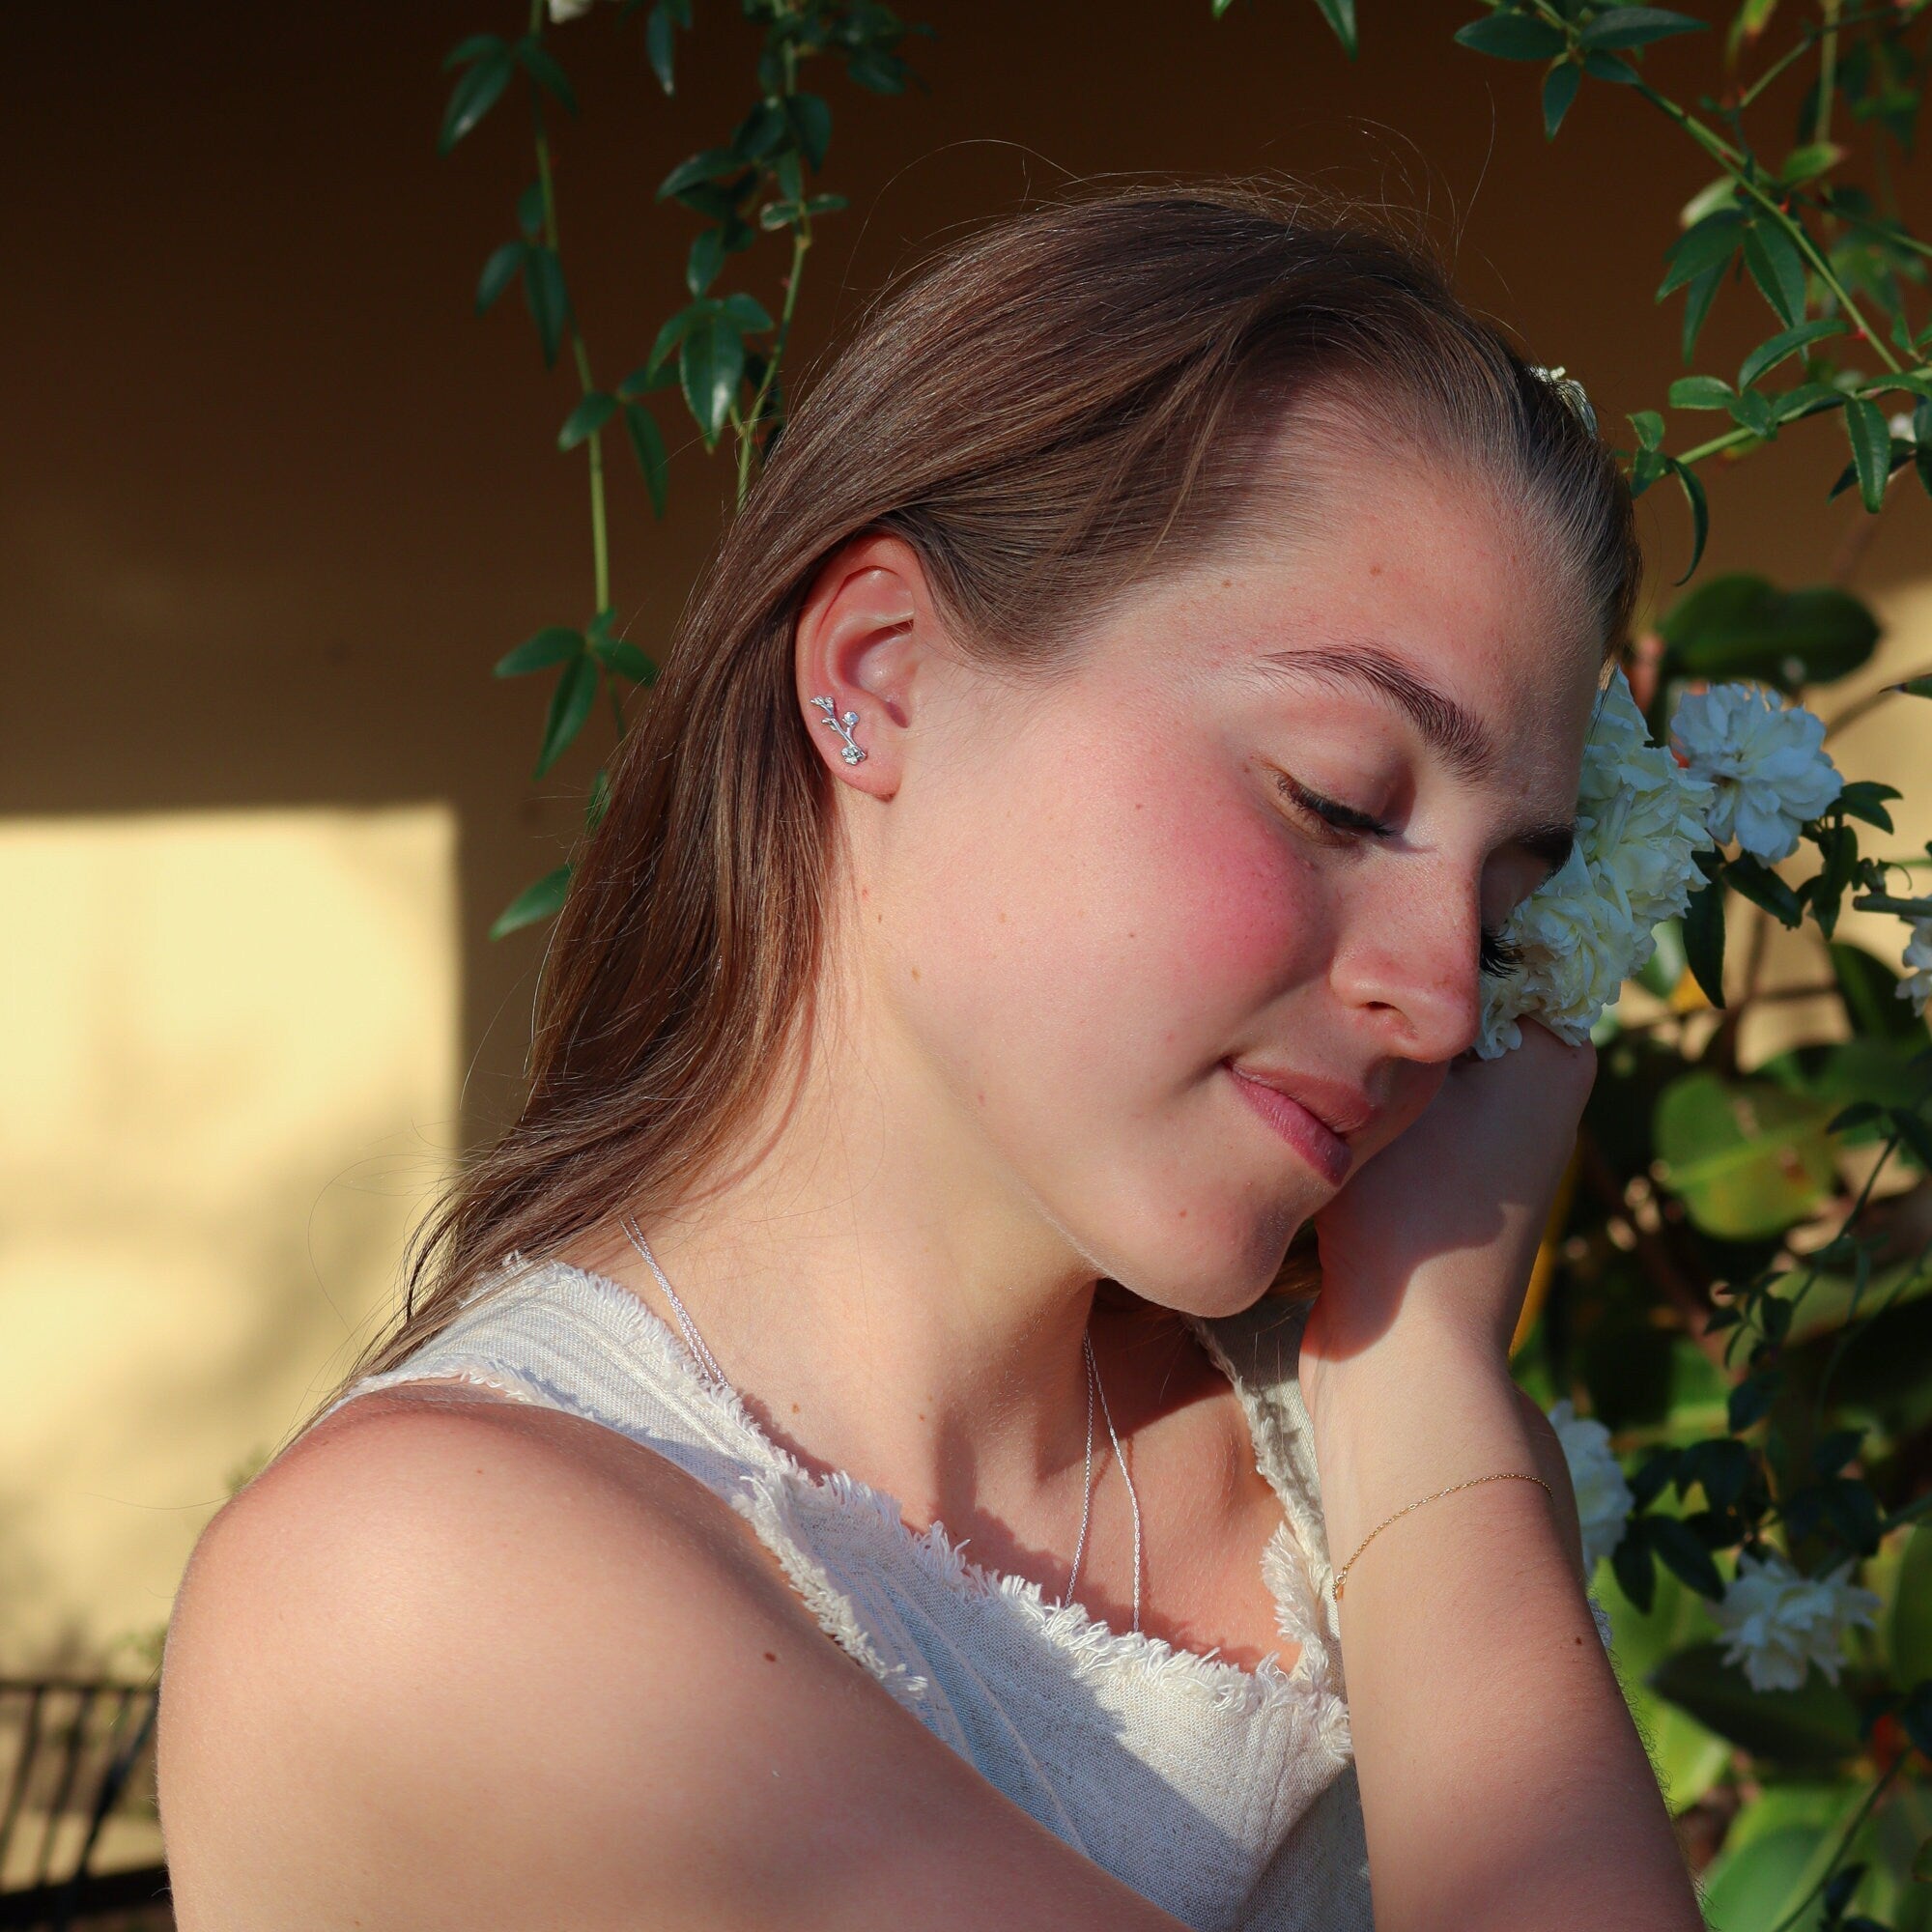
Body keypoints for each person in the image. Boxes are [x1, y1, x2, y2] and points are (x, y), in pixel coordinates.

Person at [155, 179, 1704, 1931]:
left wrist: (1408, 1360)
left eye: (1507, 904)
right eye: (1335, 798)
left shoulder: (1339, 1437)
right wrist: (1424, 1368)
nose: (1442, 1002)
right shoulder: (420, 1588)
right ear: (880, 678)